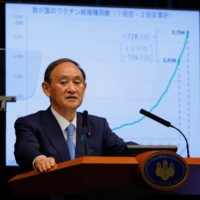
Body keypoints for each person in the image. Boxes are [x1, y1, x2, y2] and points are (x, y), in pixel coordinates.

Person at [14, 58, 138, 200]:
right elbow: (25, 147)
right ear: (46, 88)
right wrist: (39, 159)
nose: (72, 89)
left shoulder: (98, 125)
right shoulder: (30, 123)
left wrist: (149, 153)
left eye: (77, 83)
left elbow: (122, 150)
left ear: (84, 88)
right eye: (63, 82)